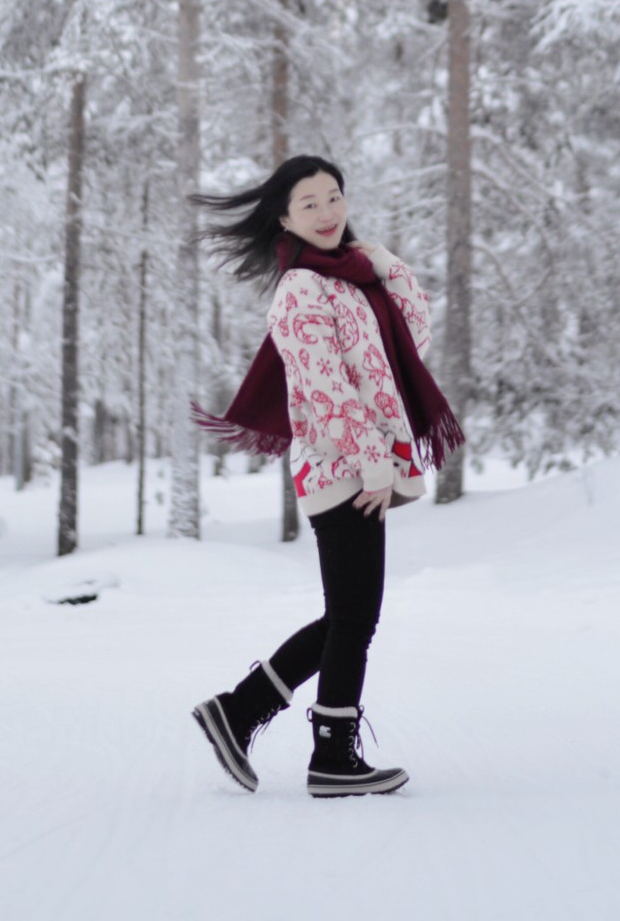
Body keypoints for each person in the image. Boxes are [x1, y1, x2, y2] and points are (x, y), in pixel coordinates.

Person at [189, 155, 463, 800]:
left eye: (333, 196)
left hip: (360, 464)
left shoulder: (354, 281)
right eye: (308, 203)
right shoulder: (300, 291)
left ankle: (246, 715)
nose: (326, 211)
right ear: (284, 217)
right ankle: (322, 752)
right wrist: (372, 465)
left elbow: (410, 340)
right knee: (353, 617)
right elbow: (325, 387)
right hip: (338, 466)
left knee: (349, 616)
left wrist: (388, 264)